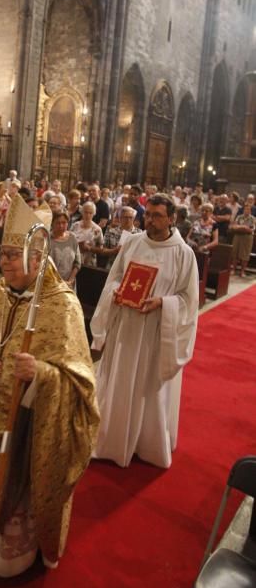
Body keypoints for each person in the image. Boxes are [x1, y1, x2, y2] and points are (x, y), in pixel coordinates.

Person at [0, 194, 99, 580]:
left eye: (12, 255)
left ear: (37, 257)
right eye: (3, 254)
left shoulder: (62, 306)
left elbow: (80, 383)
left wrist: (43, 372)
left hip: (27, 428)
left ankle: (11, 561)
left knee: (15, 491)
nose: (4, 262)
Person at [91, 193, 199, 469]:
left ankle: (144, 443)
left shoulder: (183, 253)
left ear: (172, 218)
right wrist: (116, 293)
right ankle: (112, 440)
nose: (150, 220)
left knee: (146, 388)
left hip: (155, 332)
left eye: (157, 216)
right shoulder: (133, 242)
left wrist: (163, 302)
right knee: (119, 381)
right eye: (148, 215)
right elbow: (114, 278)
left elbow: (189, 300)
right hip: (125, 329)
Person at [49, 210, 81, 289]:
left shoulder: (72, 238)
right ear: (52, 223)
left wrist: (70, 280)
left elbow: (77, 262)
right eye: (58, 223)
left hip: (68, 283)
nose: (61, 226)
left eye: (64, 223)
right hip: (51, 284)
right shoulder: (47, 239)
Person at [71, 201, 103, 267]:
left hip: (89, 262)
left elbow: (101, 248)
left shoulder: (97, 229)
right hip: (73, 260)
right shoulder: (75, 225)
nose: (88, 215)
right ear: (82, 212)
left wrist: (89, 248)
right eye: (85, 212)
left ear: (94, 214)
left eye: (90, 213)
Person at [230, 201, 256, 276]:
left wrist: (240, 227)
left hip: (247, 238)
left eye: (248, 209)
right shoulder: (239, 217)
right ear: (243, 210)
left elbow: (251, 230)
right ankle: (233, 269)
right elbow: (234, 227)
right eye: (245, 209)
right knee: (235, 253)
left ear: (250, 210)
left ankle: (242, 271)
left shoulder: (253, 219)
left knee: (245, 255)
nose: (246, 210)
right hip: (237, 236)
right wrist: (244, 227)